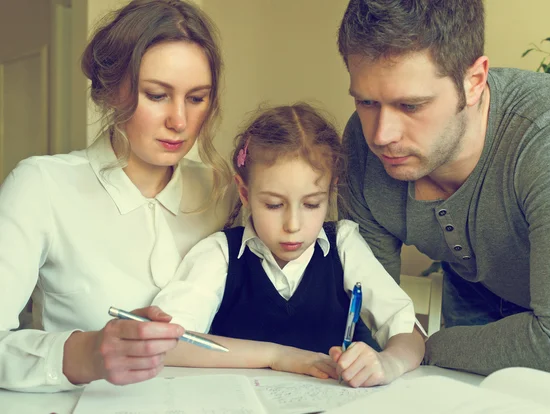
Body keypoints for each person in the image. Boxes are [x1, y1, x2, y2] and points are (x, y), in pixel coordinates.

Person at [336, 0, 550, 382]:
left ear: (474, 81)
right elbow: (369, 319)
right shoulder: (362, 148)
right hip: (473, 292)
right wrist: (392, 352)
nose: (381, 135)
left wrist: (424, 349)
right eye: (366, 101)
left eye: (411, 105)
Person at [0, 0, 236, 392]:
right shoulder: (40, 186)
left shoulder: (223, 192)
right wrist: (86, 353)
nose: (179, 120)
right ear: (112, 92)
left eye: (196, 98)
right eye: (157, 95)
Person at [152, 103, 425, 388]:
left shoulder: (344, 246)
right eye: (273, 204)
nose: (293, 225)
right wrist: (276, 355)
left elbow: (411, 335)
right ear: (244, 193)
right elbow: (165, 342)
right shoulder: (220, 255)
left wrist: (388, 362)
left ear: (331, 191)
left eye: (311, 204)